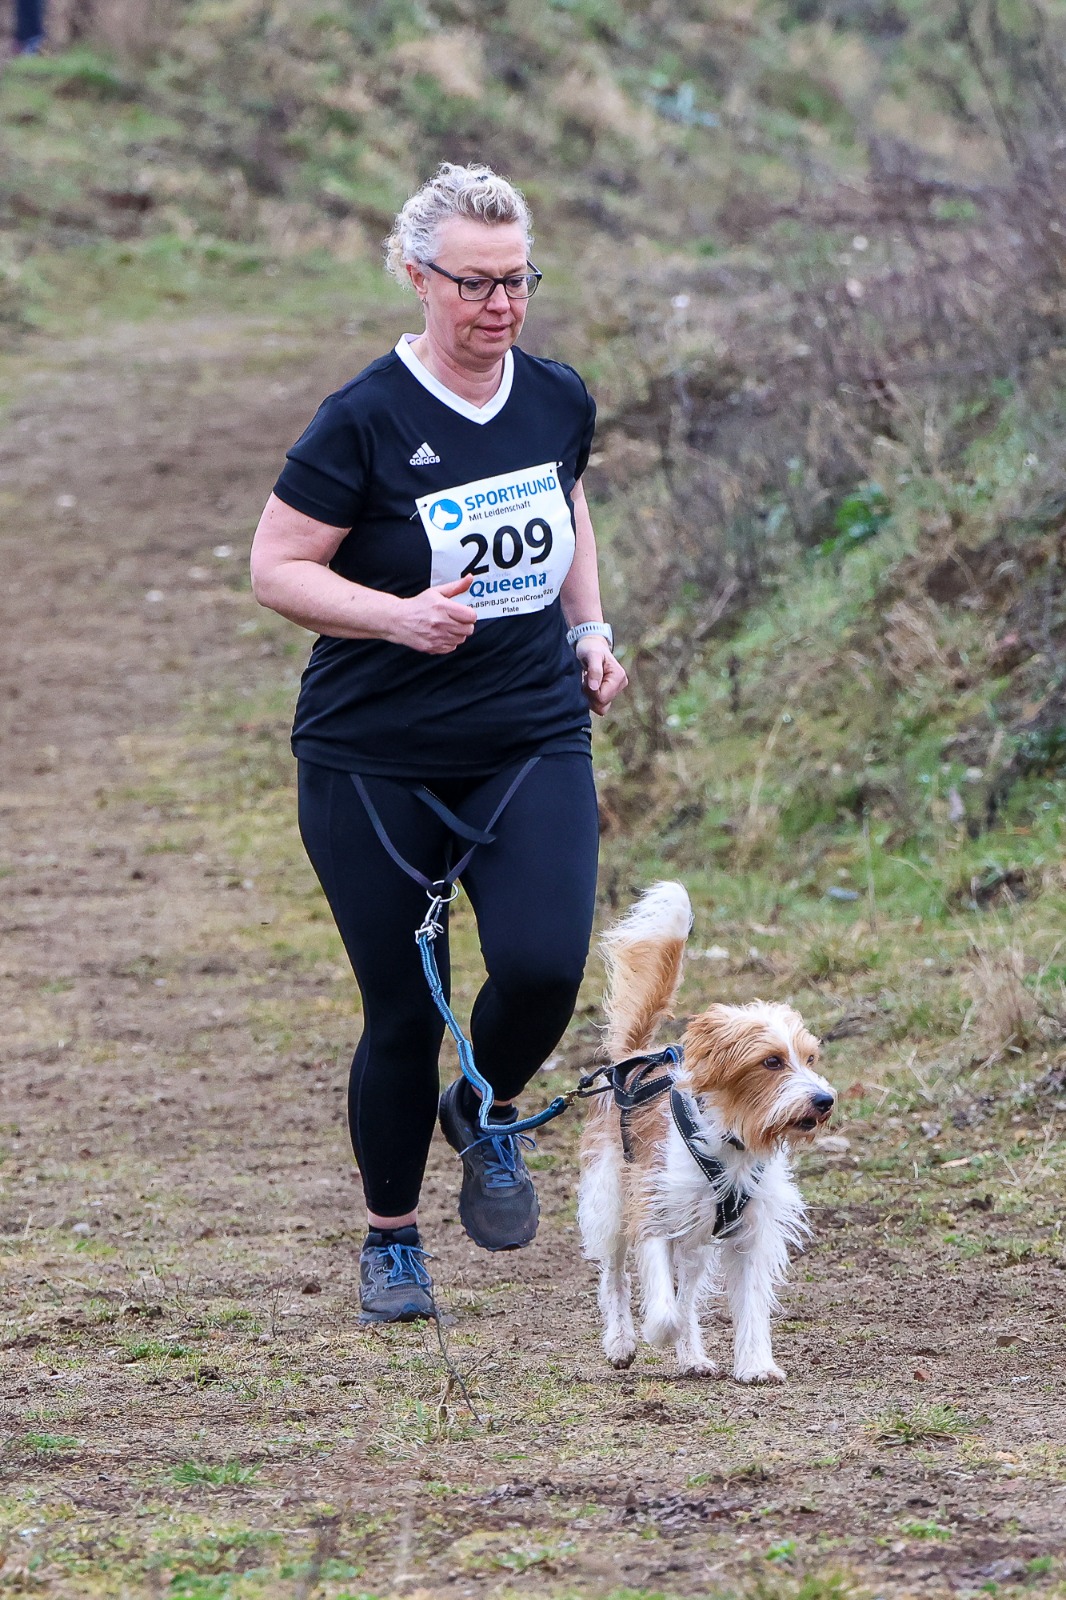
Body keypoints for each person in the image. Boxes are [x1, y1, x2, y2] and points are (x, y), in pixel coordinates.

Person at [250, 161, 627, 1323]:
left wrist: (591, 628)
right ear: (417, 278)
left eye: (517, 281)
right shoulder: (362, 417)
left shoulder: (557, 394)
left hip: (529, 729)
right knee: (404, 1011)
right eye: (474, 284)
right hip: (374, 752)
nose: (500, 306)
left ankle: (483, 1105)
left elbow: (564, 506)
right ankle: (393, 1238)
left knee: (546, 966)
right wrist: (397, 615)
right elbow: (277, 568)